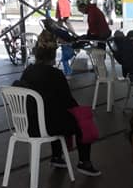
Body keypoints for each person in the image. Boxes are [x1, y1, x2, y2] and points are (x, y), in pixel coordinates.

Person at [18, 32, 101, 176]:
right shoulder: (56, 75)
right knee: (80, 120)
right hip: (48, 126)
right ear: (53, 55)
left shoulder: (27, 72)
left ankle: (57, 156)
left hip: (27, 124)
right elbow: (68, 102)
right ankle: (84, 162)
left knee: (51, 112)